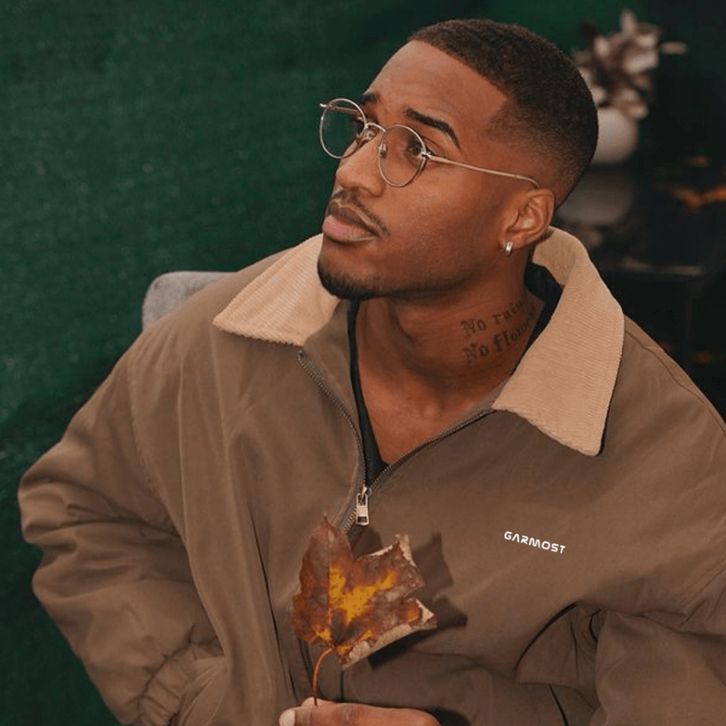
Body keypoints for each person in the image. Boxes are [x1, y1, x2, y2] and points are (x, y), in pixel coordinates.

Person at [18, 17, 726, 726]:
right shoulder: (226, 337)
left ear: (521, 219)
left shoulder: (667, 456)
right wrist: (201, 702)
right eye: (362, 127)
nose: (352, 171)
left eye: (418, 149)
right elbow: (85, 509)